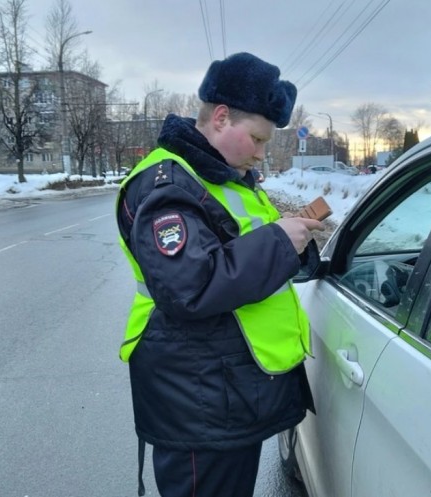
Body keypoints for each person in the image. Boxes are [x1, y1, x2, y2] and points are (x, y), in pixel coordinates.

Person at [115, 52, 324, 497]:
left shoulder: (224, 179)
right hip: (198, 401)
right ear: (221, 118)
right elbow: (189, 287)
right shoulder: (167, 186)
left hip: (224, 392)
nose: (262, 154)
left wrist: (295, 243)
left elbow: (247, 251)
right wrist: (281, 243)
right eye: (257, 139)